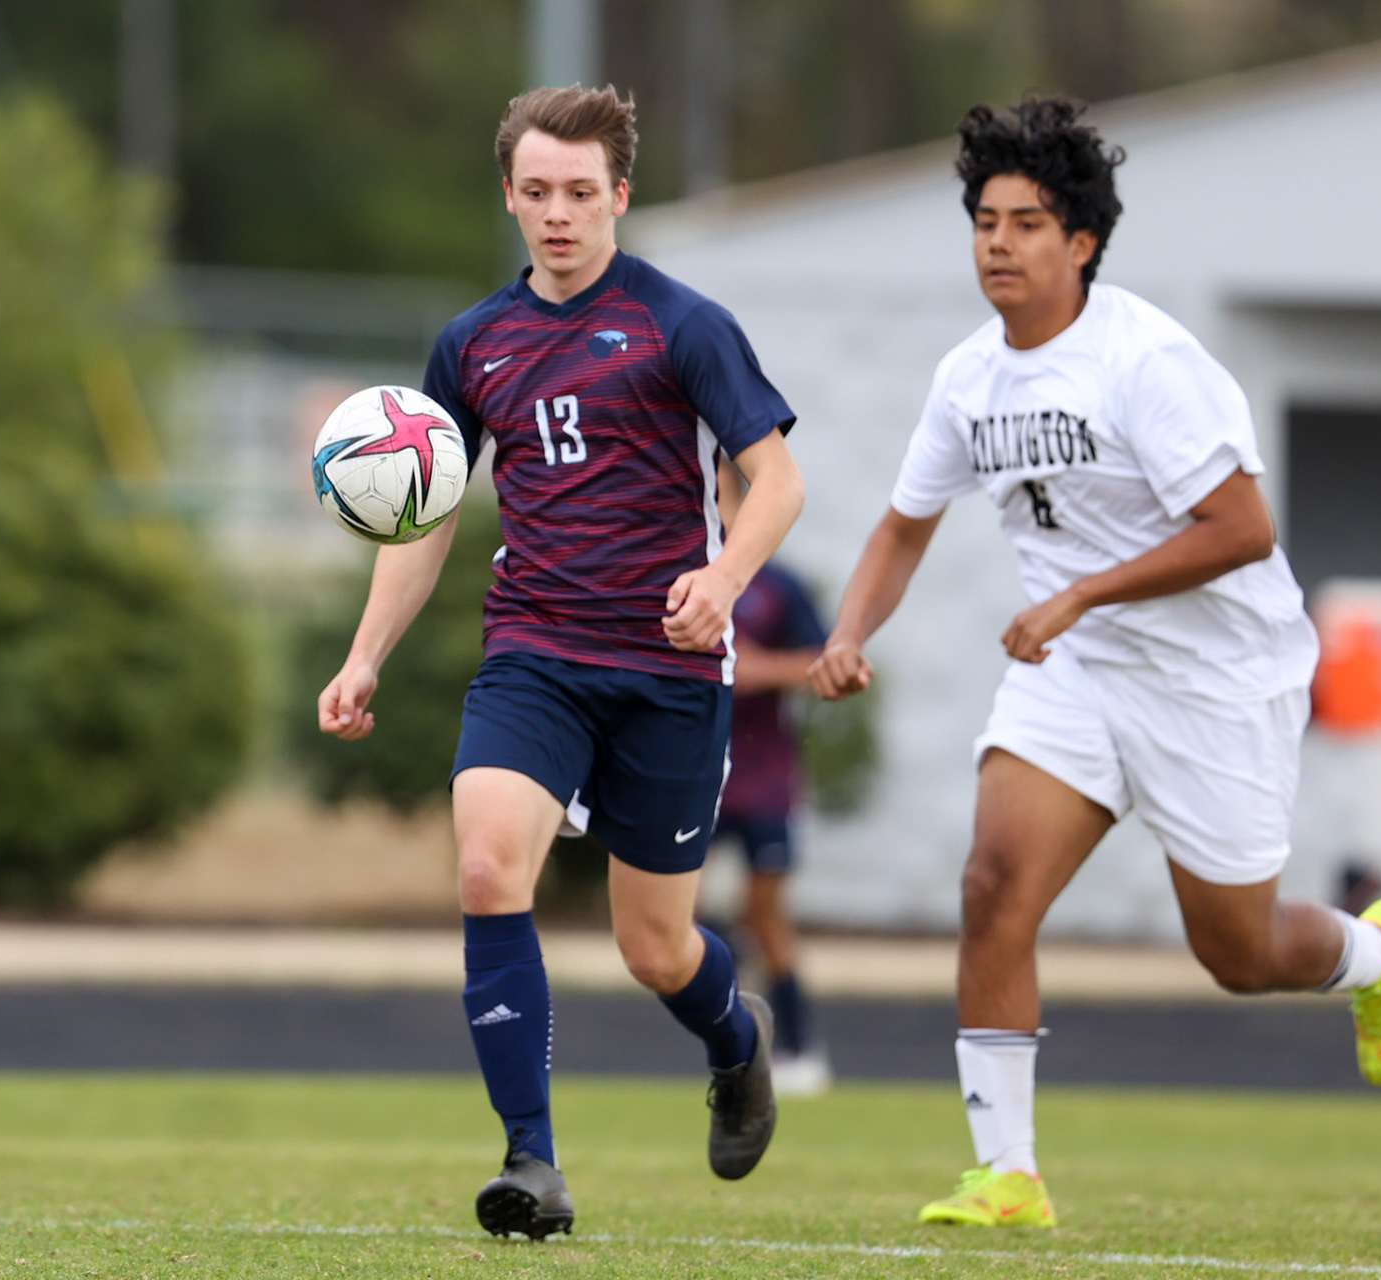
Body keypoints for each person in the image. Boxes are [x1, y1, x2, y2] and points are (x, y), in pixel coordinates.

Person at [810, 96, 1381, 1229]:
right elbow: (903, 526)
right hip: (1078, 668)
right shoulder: (967, 378)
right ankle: (1008, 1171)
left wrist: (1081, 590)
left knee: (1237, 952)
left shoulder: (1146, 361)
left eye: (1028, 222)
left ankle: (1375, 953)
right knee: (994, 884)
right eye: (985, 220)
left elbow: (1242, 529)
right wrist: (851, 632)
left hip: (1218, 676)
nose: (998, 242)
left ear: (1082, 243)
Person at [318, 85, 804, 1240]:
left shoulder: (684, 325)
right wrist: (364, 653)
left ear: (620, 196)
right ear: (509, 196)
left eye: (581, 193)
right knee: (488, 867)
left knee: (654, 945)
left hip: (671, 670)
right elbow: (426, 513)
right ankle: (529, 1159)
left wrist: (723, 581)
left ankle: (738, 1043)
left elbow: (775, 480)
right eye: (536, 192)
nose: (558, 214)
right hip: (533, 650)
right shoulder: (473, 341)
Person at [707, 459, 832, 1095]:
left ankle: (802, 1048)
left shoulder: (776, 583)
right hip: (694, 771)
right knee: (681, 920)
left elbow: (823, 662)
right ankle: (727, 1049)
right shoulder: (676, 567)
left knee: (765, 916)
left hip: (761, 779)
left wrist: (759, 668)